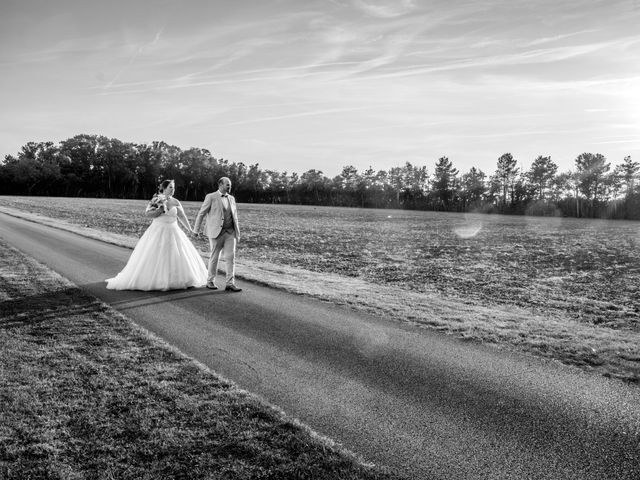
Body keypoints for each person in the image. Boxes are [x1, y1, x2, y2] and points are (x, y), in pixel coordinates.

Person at [106, 180, 207, 291]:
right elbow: (148, 214)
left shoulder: (176, 202)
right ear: (163, 188)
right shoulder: (156, 199)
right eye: (170, 187)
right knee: (156, 255)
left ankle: (177, 279)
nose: (173, 190)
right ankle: (155, 280)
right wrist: (159, 210)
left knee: (177, 255)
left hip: (174, 231)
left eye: (173, 187)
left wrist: (190, 230)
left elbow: (182, 217)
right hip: (158, 231)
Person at [192, 176, 242, 292]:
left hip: (230, 232)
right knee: (215, 257)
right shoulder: (211, 197)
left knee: (231, 257)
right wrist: (196, 230)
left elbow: (235, 217)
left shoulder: (232, 198)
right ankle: (210, 281)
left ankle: (230, 283)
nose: (229, 186)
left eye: (230, 184)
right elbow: (201, 213)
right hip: (216, 232)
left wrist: (237, 233)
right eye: (227, 184)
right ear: (220, 185)